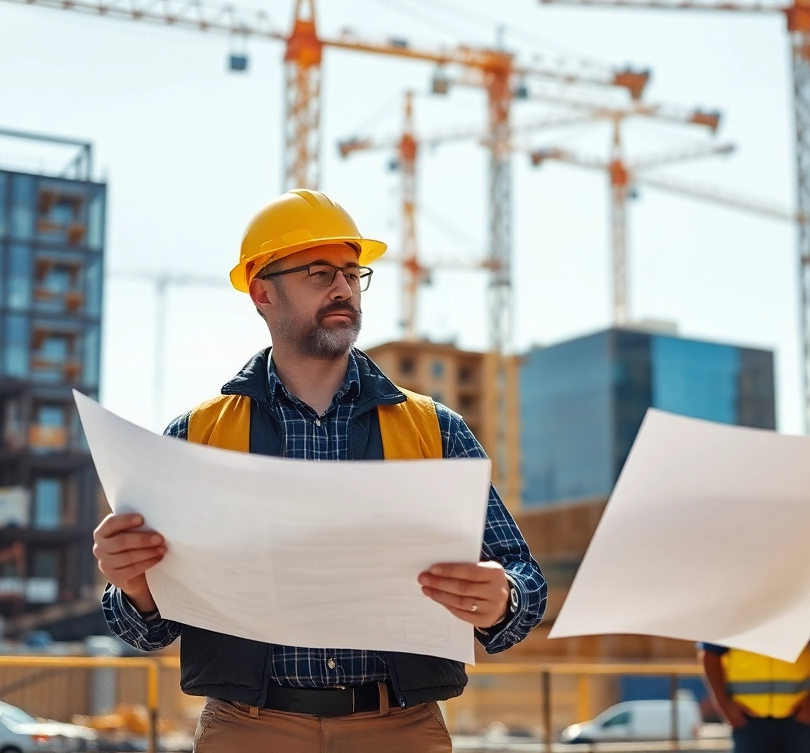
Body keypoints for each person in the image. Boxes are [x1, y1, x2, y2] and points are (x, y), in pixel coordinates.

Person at [91, 189, 547, 752]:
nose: (343, 288)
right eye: (319, 273)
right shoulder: (197, 437)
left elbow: (525, 578)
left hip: (399, 729)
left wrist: (503, 599)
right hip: (247, 731)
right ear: (263, 292)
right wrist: (135, 586)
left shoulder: (435, 429)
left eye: (353, 274)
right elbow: (148, 630)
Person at [697, 642, 810, 753]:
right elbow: (709, 651)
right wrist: (724, 704)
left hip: (801, 717)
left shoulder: (807, 611)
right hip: (747, 718)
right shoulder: (731, 612)